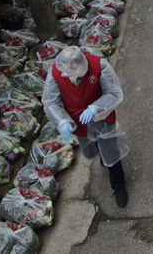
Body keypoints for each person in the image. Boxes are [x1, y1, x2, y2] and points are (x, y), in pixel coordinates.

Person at [42, 46, 130, 208]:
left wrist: (95, 108)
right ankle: (103, 159)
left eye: (75, 70)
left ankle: (118, 186)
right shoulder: (55, 73)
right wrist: (61, 120)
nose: (72, 74)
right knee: (93, 147)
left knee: (111, 154)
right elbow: (50, 102)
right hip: (78, 121)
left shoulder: (99, 66)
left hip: (101, 118)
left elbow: (113, 93)